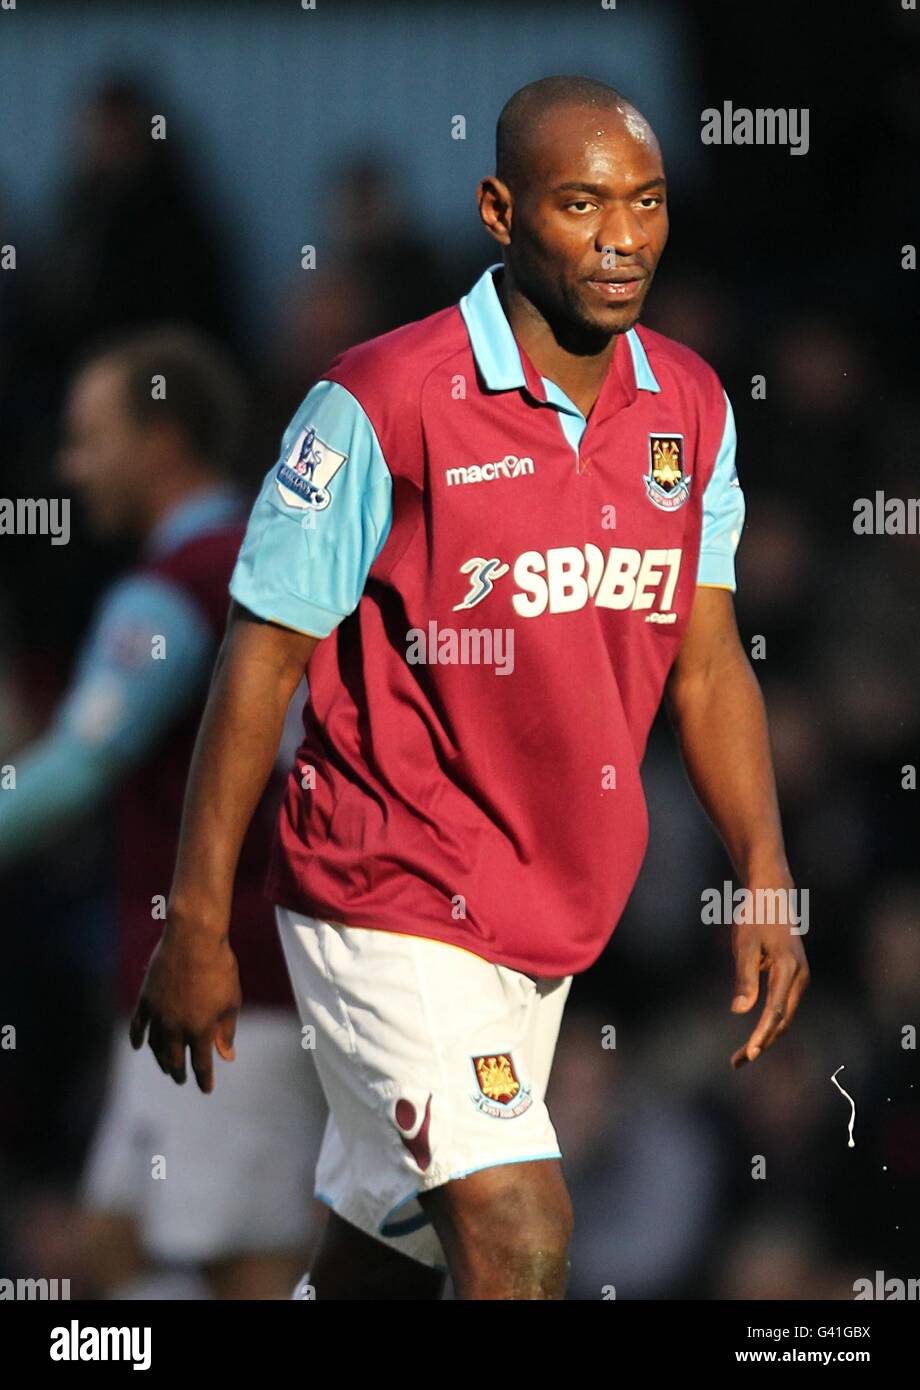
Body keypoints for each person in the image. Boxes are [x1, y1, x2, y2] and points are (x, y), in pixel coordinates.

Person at [131, 76, 810, 1301]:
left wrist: (762, 865)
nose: (621, 235)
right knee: (521, 1228)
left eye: (645, 202)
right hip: (383, 885)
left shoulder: (693, 408)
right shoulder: (380, 398)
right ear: (500, 210)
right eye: (580, 202)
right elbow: (260, 653)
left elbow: (705, 660)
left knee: (376, 1269)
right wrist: (194, 916)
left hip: (545, 910)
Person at [0, 327, 325, 1299]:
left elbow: (75, 766)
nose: (72, 466)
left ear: (161, 443)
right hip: (234, 985)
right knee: (116, 1239)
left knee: (246, 1262)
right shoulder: (276, 557)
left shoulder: (179, 589)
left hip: (234, 992)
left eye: (89, 437)